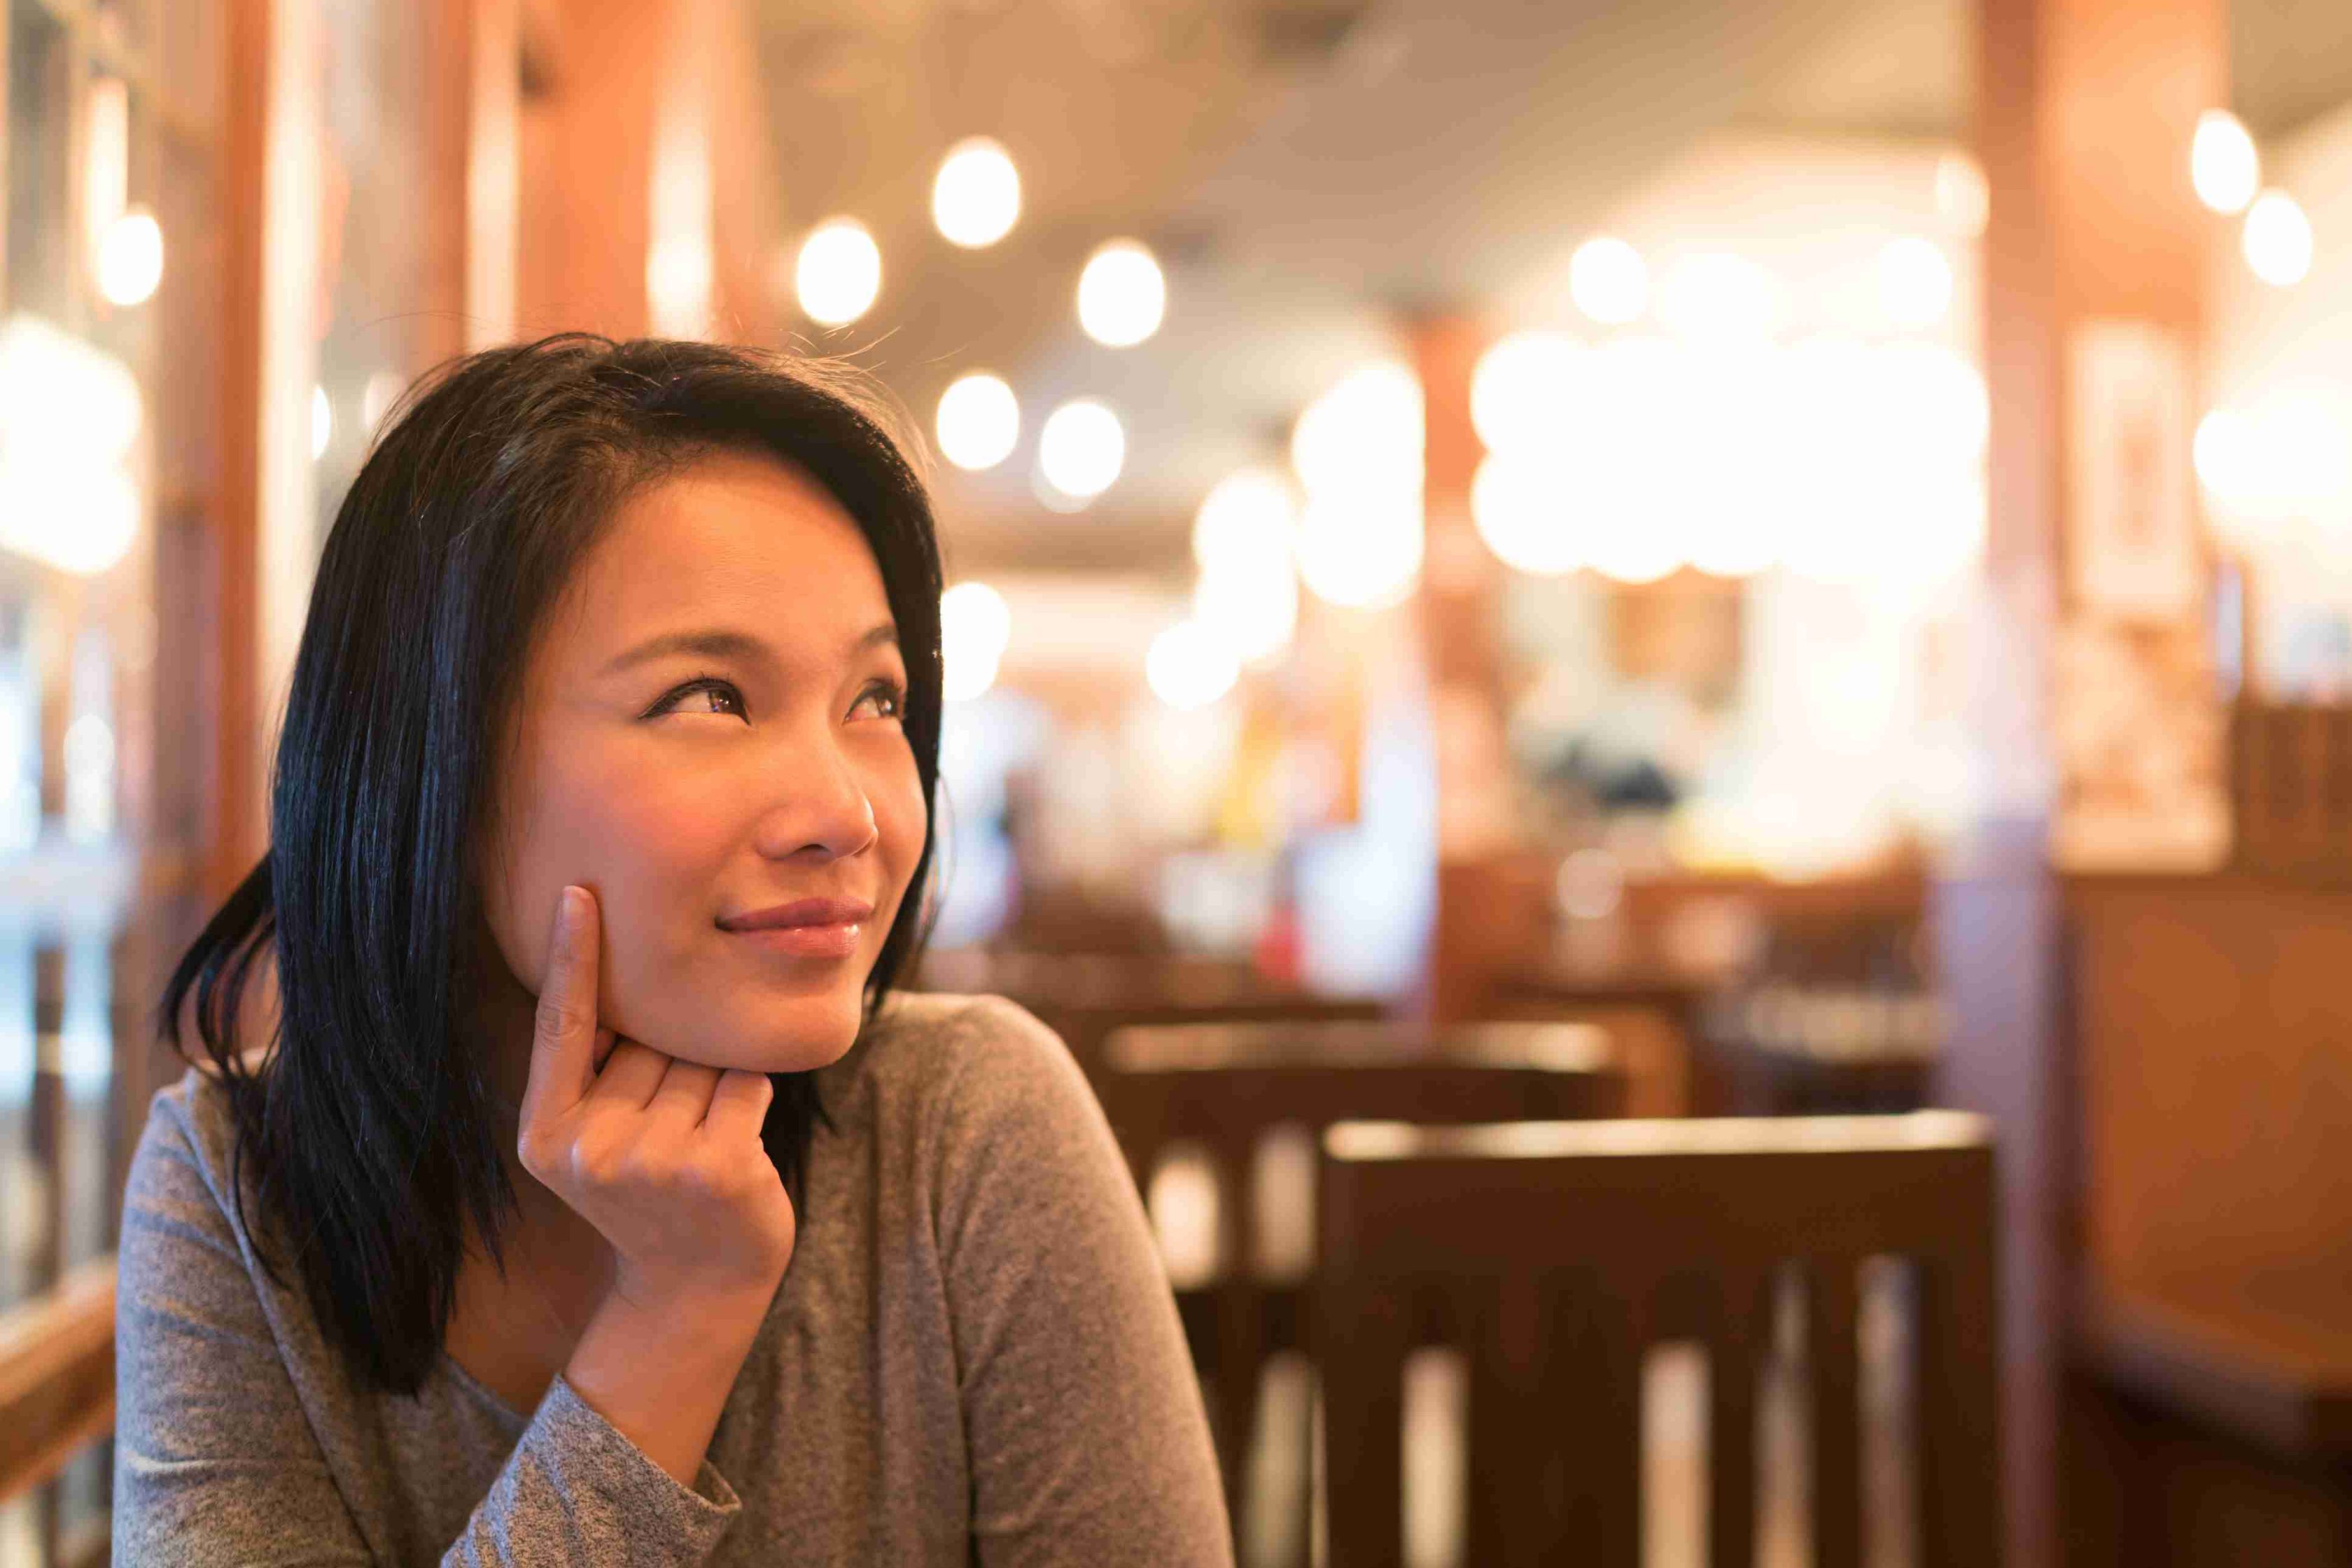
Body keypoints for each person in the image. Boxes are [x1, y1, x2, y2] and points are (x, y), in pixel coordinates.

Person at [113, 336, 1231, 1564]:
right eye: (709, 697)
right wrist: (677, 1317)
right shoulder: (234, 1193)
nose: (852, 815)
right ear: (434, 760)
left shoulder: (967, 1130)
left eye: (877, 700)